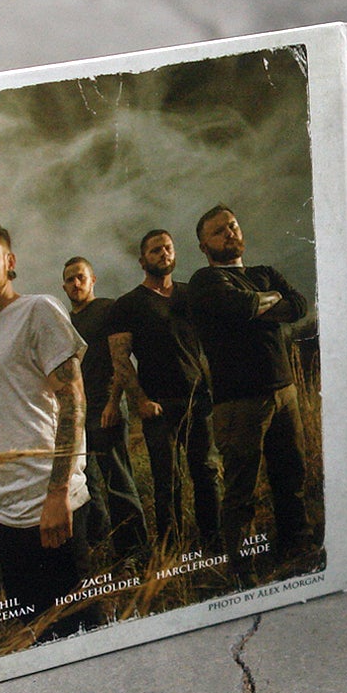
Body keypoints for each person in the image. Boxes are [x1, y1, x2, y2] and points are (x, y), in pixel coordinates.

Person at [0, 217, 95, 636]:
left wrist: (56, 494)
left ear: (9, 261)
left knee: (78, 635)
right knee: (35, 636)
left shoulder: (38, 310)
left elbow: (73, 403)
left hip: (49, 510)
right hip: (5, 515)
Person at [187, 205, 313, 574]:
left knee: (291, 476)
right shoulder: (204, 282)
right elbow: (243, 305)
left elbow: (299, 305)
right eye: (218, 231)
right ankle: (240, 571)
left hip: (284, 390)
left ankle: (297, 547)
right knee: (241, 491)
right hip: (239, 402)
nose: (230, 233)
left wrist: (262, 305)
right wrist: (268, 302)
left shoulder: (264, 272)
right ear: (203, 246)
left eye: (232, 225)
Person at [108, 229, 222, 552]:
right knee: (166, 481)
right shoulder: (128, 304)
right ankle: (171, 550)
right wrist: (140, 399)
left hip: (197, 401)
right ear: (142, 260)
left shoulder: (190, 296)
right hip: (157, 406)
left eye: (168, 248)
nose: (163, 254)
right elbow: (120, 359)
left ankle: (212, 543)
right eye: (155, 250)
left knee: (206, 473)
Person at [61, 257, 149, 562]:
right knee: (88, 485)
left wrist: (114, 402)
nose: (76, 283)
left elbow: (120, 359)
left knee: (119, 481)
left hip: (105, 405)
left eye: (81, 277)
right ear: (64, 285)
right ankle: (101, 546)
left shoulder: (107, 310)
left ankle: (136, 553)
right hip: (77, 414)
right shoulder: (65, 324)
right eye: (70, 279)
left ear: (92, 279)